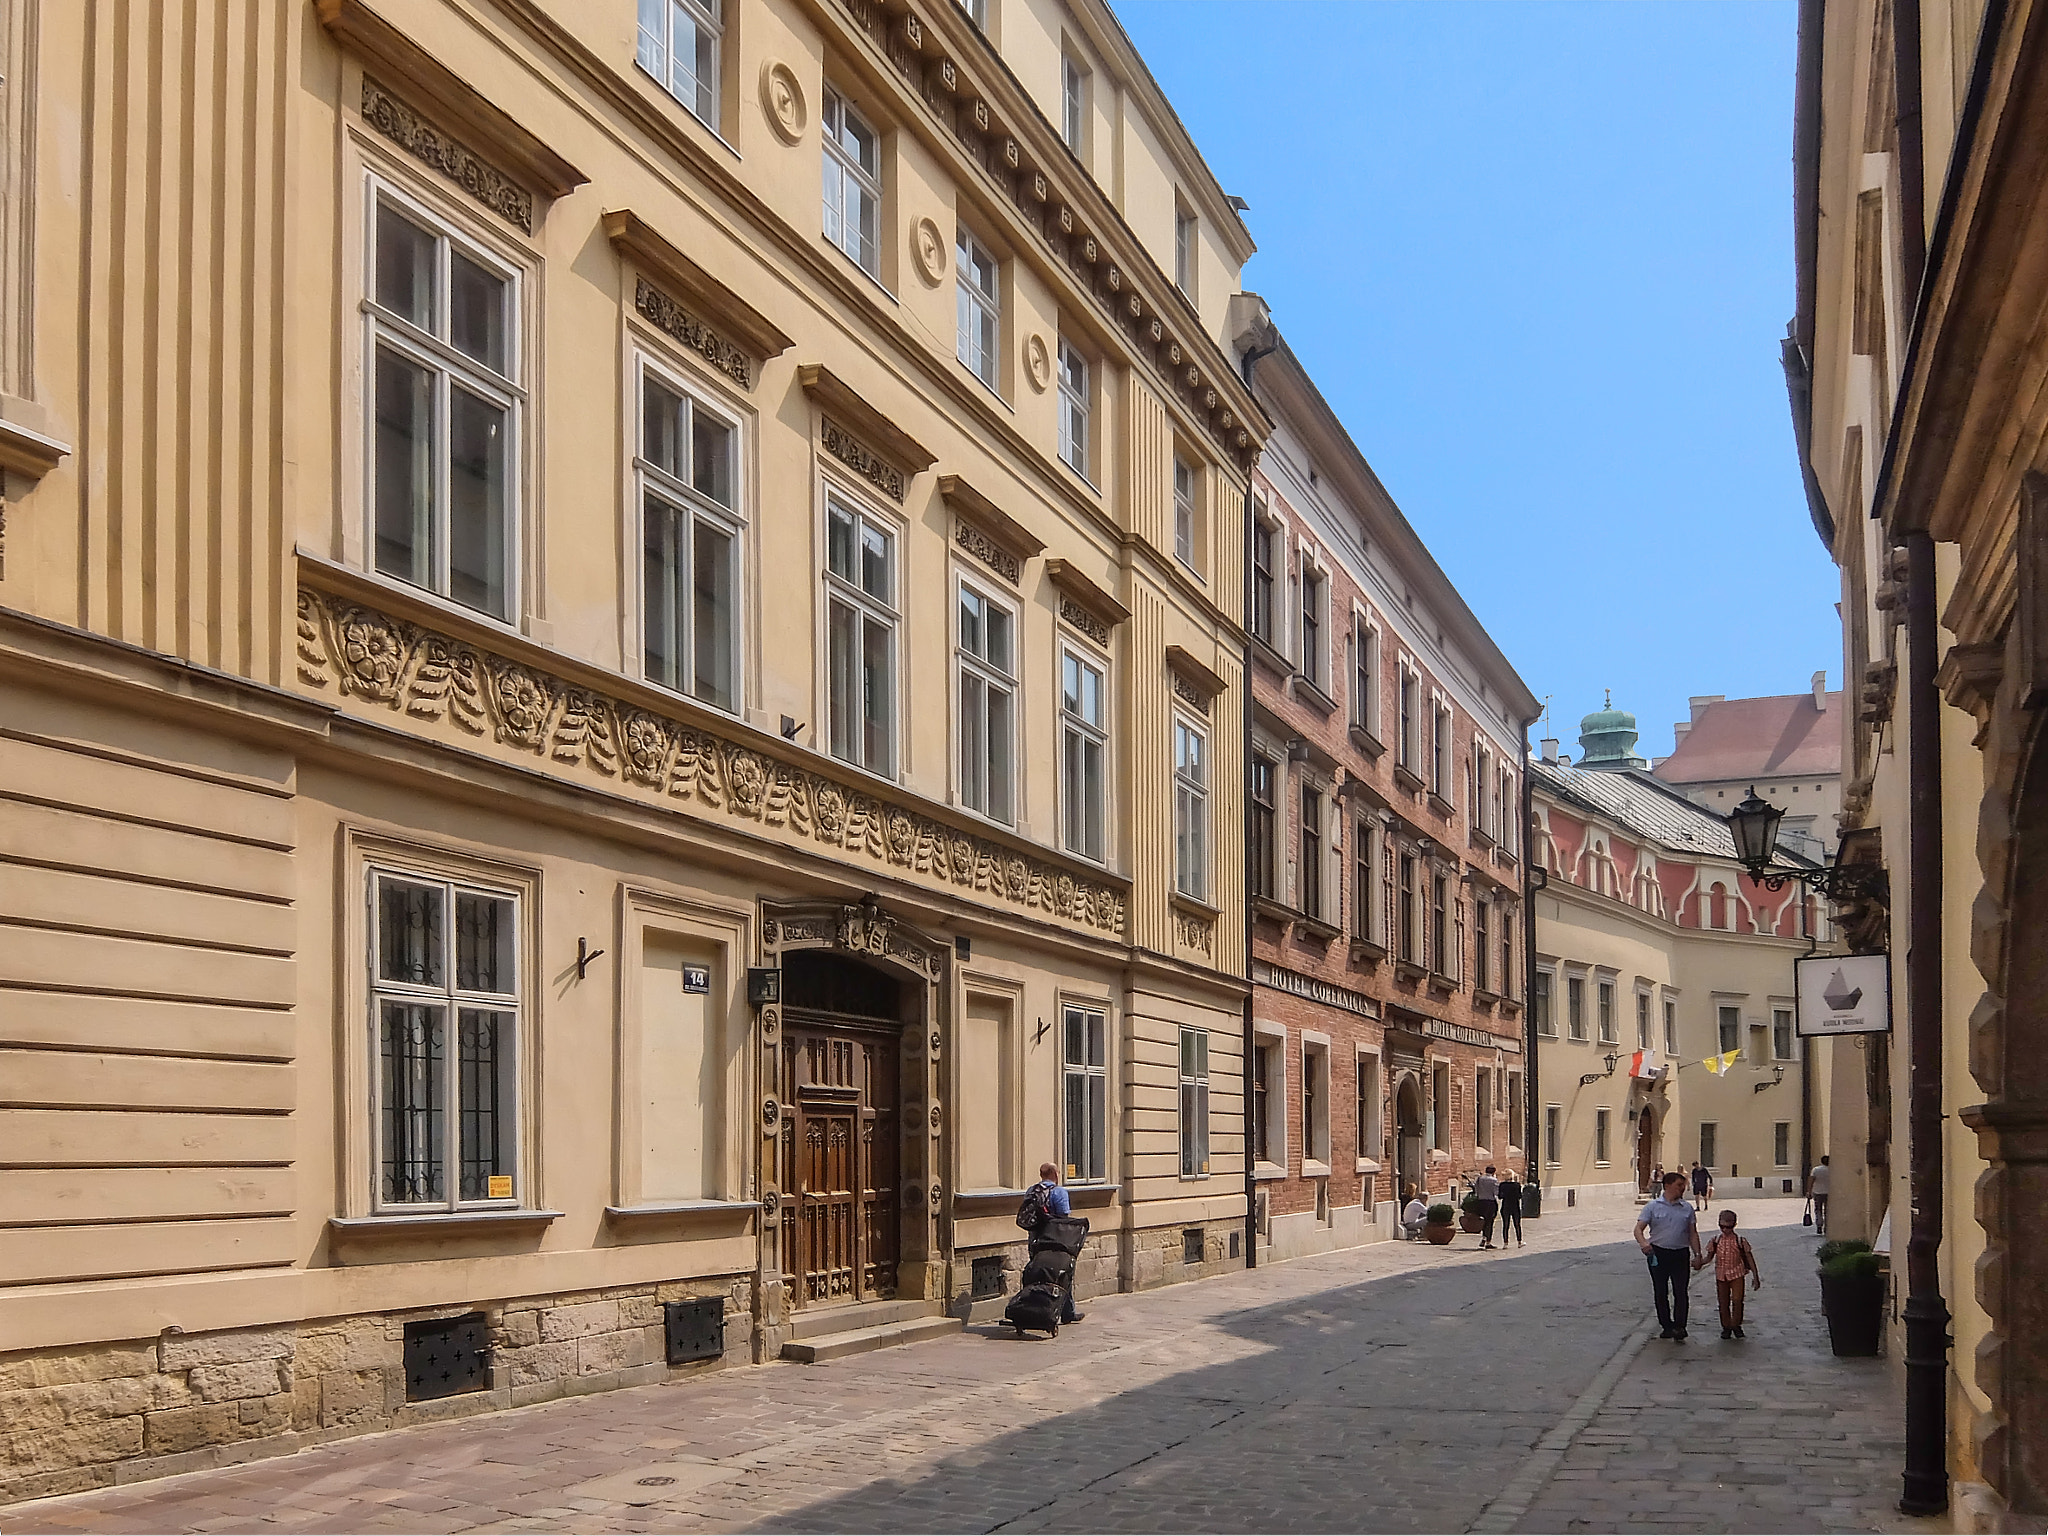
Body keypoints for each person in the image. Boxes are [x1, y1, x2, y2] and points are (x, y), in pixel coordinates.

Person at [1634, 1169, 1703, 1341]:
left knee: (1681, 1290)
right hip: (1658, 1253)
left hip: (1680, 1254)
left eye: (1684, 1186)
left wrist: (1698, 1254)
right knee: (1660, 1290)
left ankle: (1680, 1326)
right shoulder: (1652, 1206)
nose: (1682, 1189)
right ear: (1667, 1186)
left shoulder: (1687, 1208)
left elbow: (1692, 1233)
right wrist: (1644, 1244)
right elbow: (1638, 1229)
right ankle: (1666, 1325)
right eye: (1679, 1185)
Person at [1028, 1162, 1083, 1323]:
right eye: (1058, 1172)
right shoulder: (1059, 1192)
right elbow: (1064, 1217)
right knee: (1063, 1274)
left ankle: (1036, 1309)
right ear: (1055, 1174)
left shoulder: (1031, 1191)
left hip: (1035, 1240)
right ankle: (1067, 1312)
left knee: (1037, 1273)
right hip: (1056, 1240)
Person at [1696, 1208, 1763, 1339]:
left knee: (1737, 1301)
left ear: (1734, 1225)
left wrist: (1755, 1276)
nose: (1725, 1230)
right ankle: (1726, 1327)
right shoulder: (1715, 1241)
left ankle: (1736, 1325)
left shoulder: (1740, 1241)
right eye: (1722, 1227)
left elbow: (1749, 1257)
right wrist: (1699, 1262)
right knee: (1723, 1302)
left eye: (1729, 1227)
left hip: (1737, 1273)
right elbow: (1709, 1257)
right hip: (1721, 1275)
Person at [1473, 1164, 1501, 1250]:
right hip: (1490, 1202)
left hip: (1481, 1201)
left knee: (1483, 1220)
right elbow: (1496, 1192)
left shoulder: (1480, 1178)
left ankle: (1484, 1237)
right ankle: (1488, 1241)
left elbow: (1476, 1189)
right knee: (1490, 1221)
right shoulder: (1494, 1180)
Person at [1497, 1167, 1525, 1247]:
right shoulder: (1516, 1185)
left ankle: (1505, 1243)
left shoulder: (1502, 1185)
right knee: (1517, 1224)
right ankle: (1519, 1242)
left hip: (1505, 1205)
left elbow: (1500, 1196)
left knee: (1506, 1225)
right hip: (1515, 1206)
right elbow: (1519, 1196)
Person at [1808, 1155, 1831, 1236]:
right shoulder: (1832, 1170)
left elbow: (1811, 1180)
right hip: (1829, 1193)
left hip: (1817, 1192)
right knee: (1827, 1211)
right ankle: (1827, 1227)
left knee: (1818, 1210)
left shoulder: (1816, 1170)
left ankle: (1819, 1225)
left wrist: (1809, 1191)